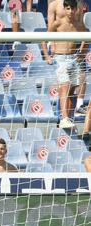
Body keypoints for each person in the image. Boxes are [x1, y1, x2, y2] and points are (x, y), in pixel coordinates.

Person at [42, 0, 87, 129]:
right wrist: (47, 56)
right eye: (68, 8)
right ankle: (64, 118)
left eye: (72, 9)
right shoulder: (57, 23)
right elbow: (43, 39)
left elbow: (87, 37)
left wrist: (82, 52)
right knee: (64, 87)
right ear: (65, 9)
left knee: (72, 91)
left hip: (73, 58)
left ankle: (70, 117)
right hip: (60, 58)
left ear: (76, 10)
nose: (70, 11)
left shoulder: (78, 24)